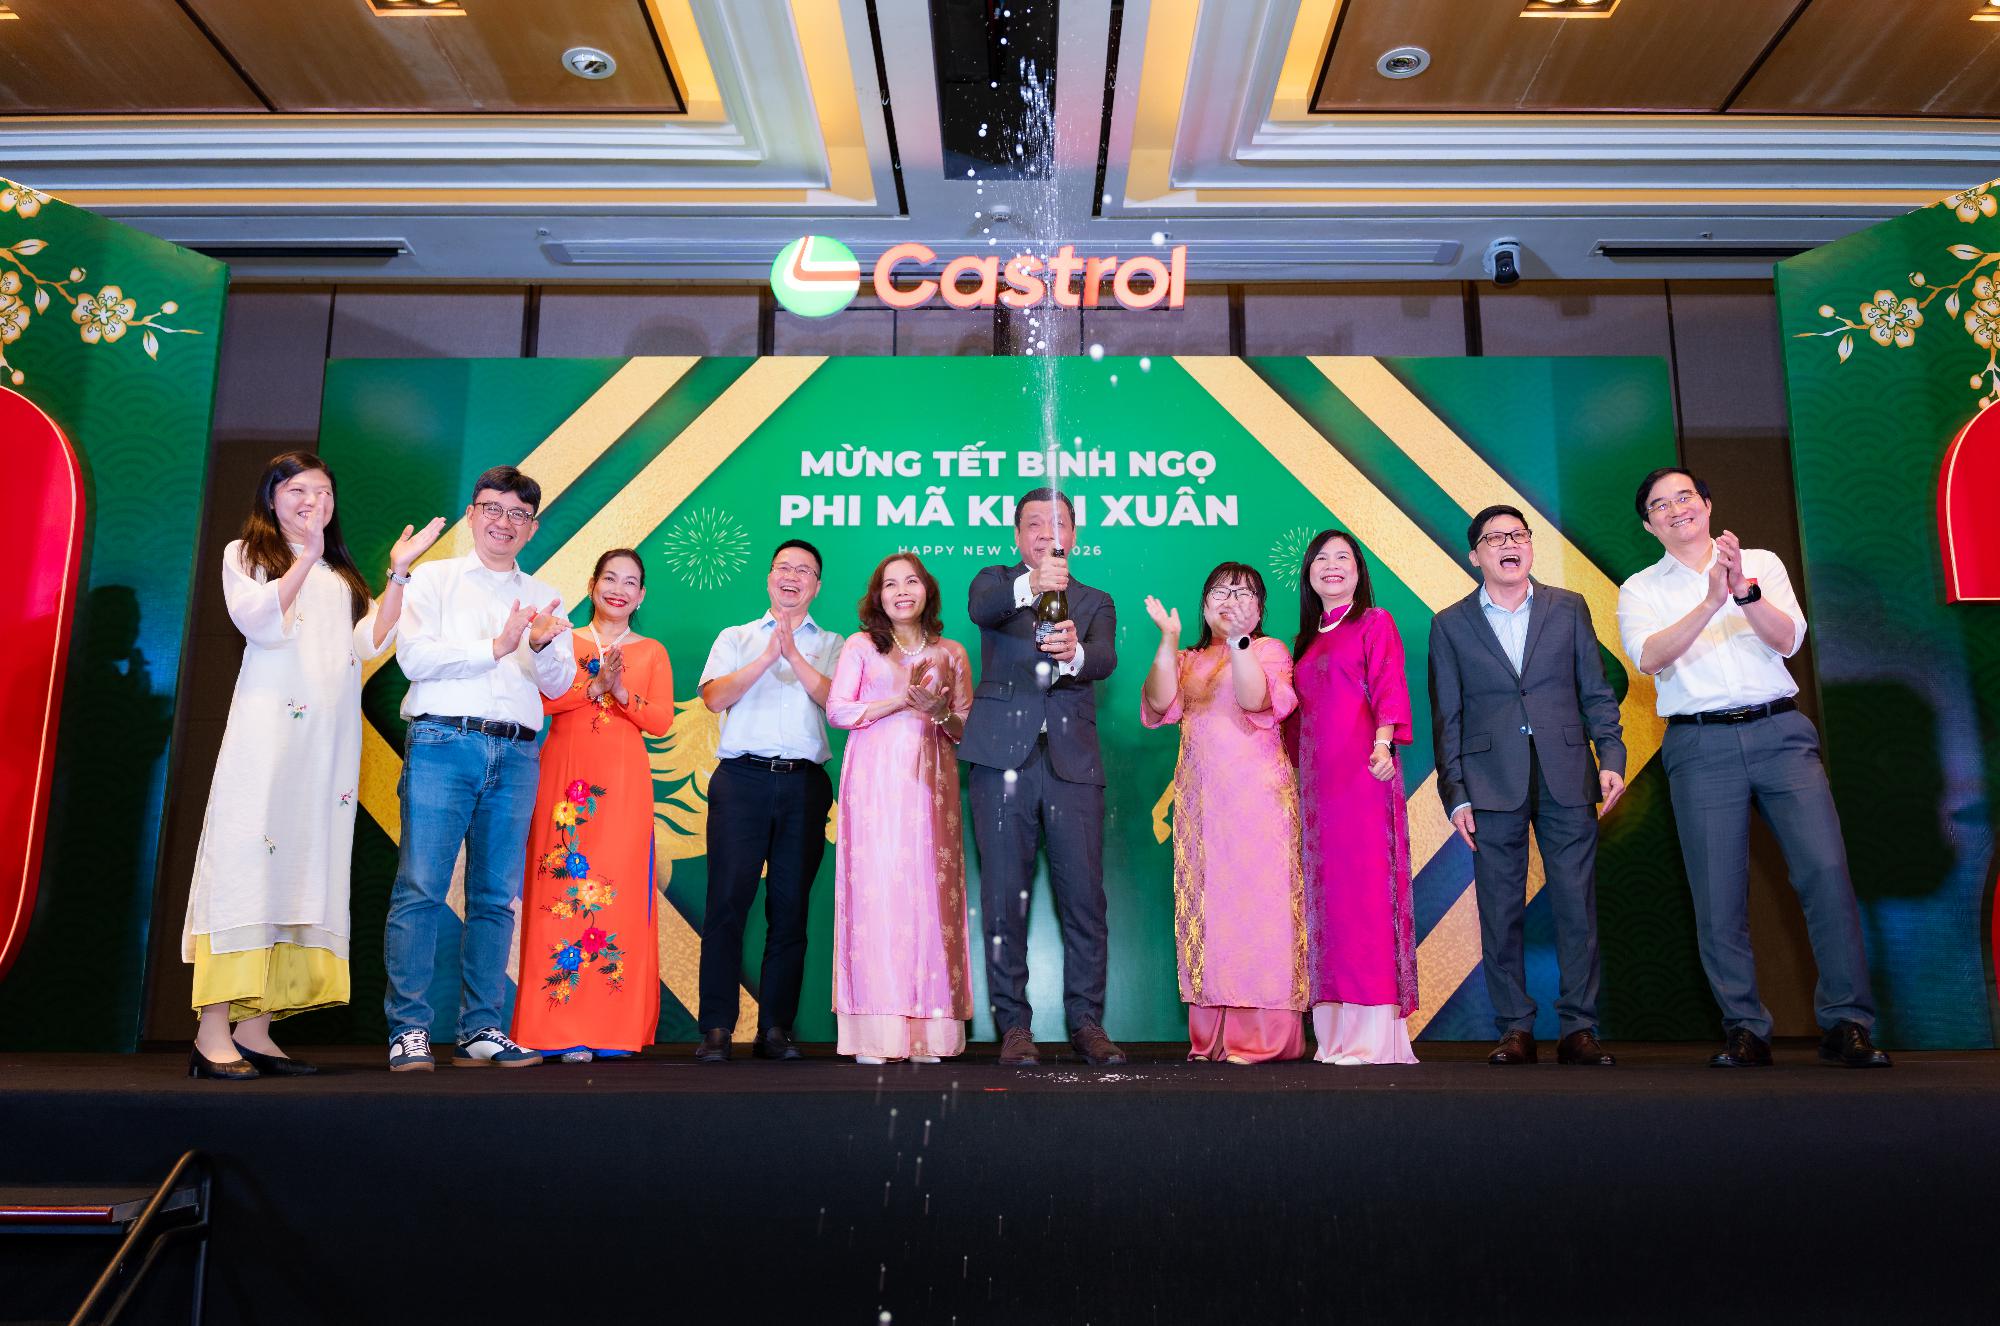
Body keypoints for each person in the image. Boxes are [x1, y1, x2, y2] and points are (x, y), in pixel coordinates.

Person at [1617, 467, 1890, 1069]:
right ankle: (1744, 1027)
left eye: (1685, 496)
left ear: (1707, 504)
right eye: (1660, 505)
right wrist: (1709, 602)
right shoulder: (1639, 588)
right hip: (1699, 744)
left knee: (1825, 873)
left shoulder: (1760, 562)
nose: (1676, 509)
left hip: (1779, 734)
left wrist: (1743, 591)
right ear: (1649, 525)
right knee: (1717, 895)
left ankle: (1847, 1021)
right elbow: (1649, 657)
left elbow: (1789, 640)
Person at [183, 452, 444, 1080]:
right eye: (298, 489)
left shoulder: (337, 573)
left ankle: (255, 1031)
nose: (312, 501)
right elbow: (259, 623)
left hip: (326, 748)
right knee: (247, 866)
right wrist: (304, 556)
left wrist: (398, 574)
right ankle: (211, 1033)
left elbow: (370, 642)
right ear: (272, 496)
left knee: (302, 867)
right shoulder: (246, 554)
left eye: (323, 491)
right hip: (268, 740)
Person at [384, 465, 575, 1072]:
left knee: (495, 898)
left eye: (518, 514)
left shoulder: (546, 594)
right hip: (443, 741)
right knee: (421, 888)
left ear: (532, 527)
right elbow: (413, 659)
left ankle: (481, 1028)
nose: (503, 522)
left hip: (516, 752)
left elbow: (560, 683)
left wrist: (539, 646)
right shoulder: (433, 579)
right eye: (492, 509)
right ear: (472, 515)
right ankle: (409, 1030)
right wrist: (496, 647)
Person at [1429, 506, 1626, 1068]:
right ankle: (1514, 1027)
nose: (1508, 544)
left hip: (1567, 772)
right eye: (1495, 538)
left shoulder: (1569, 607)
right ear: (1475, 555)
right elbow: (1448, 716)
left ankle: (1579, 1028)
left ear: (1531, 546)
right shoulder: (1450, 623)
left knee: (1576, 906)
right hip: (1489, 782)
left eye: (1518, 535)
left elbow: (1595, 691)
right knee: (1500, 910)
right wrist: (1455, 793)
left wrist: (1610, 754)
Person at [962, 488, 1124, 1067]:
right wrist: (1033, 582)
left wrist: (1074, 655)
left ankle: (1086, 1022)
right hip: (1000, 761)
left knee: (1084, 899)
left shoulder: (1095, 600)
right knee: (1003, 897)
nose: (1045, 531)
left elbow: (1104, 659)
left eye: (1057, 523)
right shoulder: (995, 583)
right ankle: (1013, 1026)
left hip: (1072, 765)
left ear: (1073, 535)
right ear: (1018, 536)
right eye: (1033, 523)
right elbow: (982, 610)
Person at [1140, 563, 1306, 1064]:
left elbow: (1256, 701)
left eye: (1243, 592)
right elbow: (1158, 702)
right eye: (1220, 591)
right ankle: (1212, 1039)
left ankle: (1263, 1037)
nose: (1230, 599)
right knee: (1210, 914)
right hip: (1203, 807)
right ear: (1203, 603)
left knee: (1260, 910)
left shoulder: (1269, 650)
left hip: (1260, 804)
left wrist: (1238, 641)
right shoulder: (1188, 658)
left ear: (1260, 607)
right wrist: (1168, 640)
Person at [512, 549, 672, 1063]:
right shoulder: (561, 638)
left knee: (618, 894)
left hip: (624, 785)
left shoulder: (652, 651)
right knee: (558, 889)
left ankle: (611, 1028)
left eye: (630, 582)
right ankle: (556, 1026)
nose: (618, 590)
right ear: (592, 584)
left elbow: (661, 721)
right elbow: (541, 702)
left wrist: (620, 691)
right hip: (565, 779)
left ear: (642, 595)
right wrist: (593, 687)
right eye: (610, 578)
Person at [694, 540, 845, 1063]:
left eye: (804, 570)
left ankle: (775, 1028)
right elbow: (714, 697)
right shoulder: (736, 637)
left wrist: (795, 656)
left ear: (816, 586)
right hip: (742, 780)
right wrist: (767, 656)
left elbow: (836, 704)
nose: (792, 576)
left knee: (790, 908)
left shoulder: (835, 643)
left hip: (804, 785)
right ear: (769, 577)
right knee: (726, 904)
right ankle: (716, 1028)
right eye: (784, 567)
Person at [824, 553, 974, 1064]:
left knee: (928, 897)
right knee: (877, 895)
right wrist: (901, 702)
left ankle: (928, 1034)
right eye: (891, 584)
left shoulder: (951, 653)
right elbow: (838, 710)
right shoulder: (861, 646)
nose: (902, 591)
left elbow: (965, 729)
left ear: (927, 590)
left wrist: (940, 712)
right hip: (874, 786)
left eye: (911, 581)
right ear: (878, 596)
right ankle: (877, 1034)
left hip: (931, 787)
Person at [1288, 530, 1420, 1066]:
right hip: (1317, 793)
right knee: (1328, 908)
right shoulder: (1305, 641)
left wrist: (1384, 743)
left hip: (1364, 777)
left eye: (1343, 557)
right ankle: (1335, 1037)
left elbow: (1388, 684)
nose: (1332, 565)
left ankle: (1372, 1038)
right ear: (1308, 574)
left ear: (1359, 571)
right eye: (1321, 558)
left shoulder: (1374, 622)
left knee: (1365, 901)